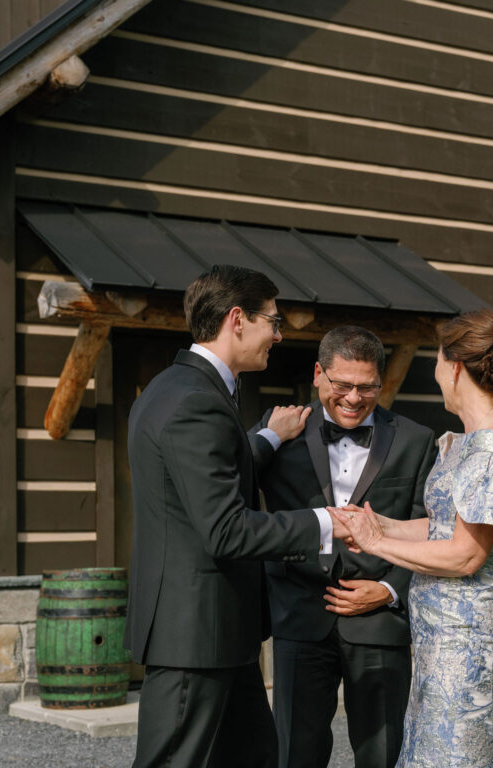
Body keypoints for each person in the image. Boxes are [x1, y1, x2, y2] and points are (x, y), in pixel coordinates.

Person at [125, 264, 347, 768]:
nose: (278, 333)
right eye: (273, 319)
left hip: (222, 629)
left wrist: (267, 438)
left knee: (254, 756)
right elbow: (225, 529)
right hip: (195, 633)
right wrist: (327, 522)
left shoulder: (177, 388)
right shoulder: (194, 402)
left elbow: (200, 476)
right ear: (237, 319)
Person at [334, 308, 493, 768]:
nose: (436, 370)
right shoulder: (471, 440)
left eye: (439, 360)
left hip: (465, 637)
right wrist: (375, 525)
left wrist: (378, 545)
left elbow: (466, 555)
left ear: (457, 367)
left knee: (454, 758)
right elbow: (444, 527)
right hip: (439, 633)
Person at [248, 326, 436, 768]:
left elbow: (431, 530)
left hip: (380, 624)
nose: (353, 398)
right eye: (342, 385)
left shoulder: (416, 440)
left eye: (367, 387)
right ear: (318, 374)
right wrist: (269, 437)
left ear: (381, 382)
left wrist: (390, 591)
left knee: (384, 754)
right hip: (298, 616)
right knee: (295, 753)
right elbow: (231, 492)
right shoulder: (278, 429)